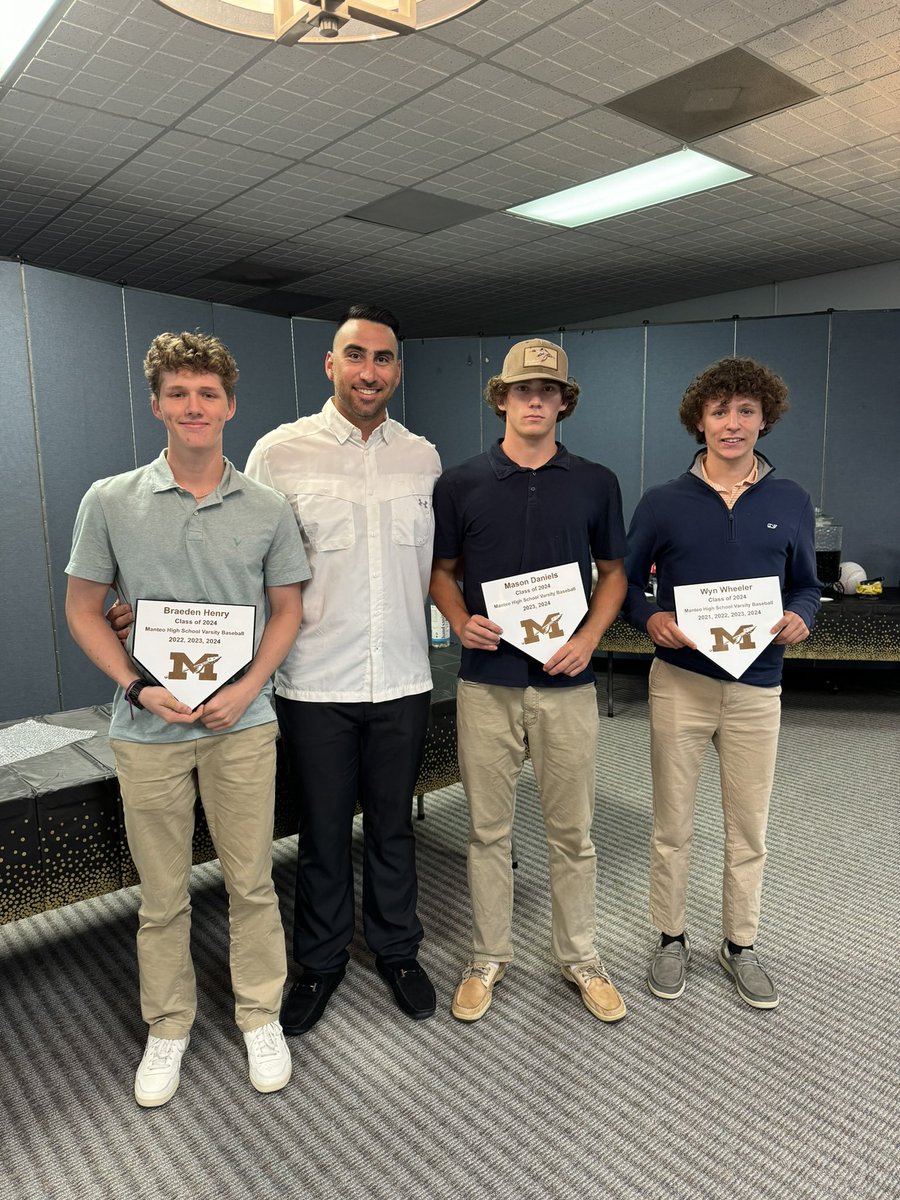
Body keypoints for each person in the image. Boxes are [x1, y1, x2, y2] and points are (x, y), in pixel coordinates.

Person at [65, 331, 309, 1107]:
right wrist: (138, 689)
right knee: (162, 895)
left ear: (231, 406)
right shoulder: (109, 500)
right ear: (157, 405)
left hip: (241, 724)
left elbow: (287, 609)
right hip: (147, 732)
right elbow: (82, 611)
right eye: (179, 394)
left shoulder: (268, 507)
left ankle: (258, 1014)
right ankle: (169, 1026)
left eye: (208, 394)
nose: (194, 407)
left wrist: (249, 689)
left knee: (252, 883)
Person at [244, 304, 442, 1032]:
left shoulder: (422, 457)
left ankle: (397, 949)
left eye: (384, 358)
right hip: (313, 679)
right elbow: (244, 560)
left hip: (401, 677)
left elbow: (438, 565)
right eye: (355, 355)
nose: (369, 371)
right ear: (330, 364)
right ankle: (320, 964)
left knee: (393, 825)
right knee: (323, 831)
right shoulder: (278, 453)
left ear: (396, 369)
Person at [430, 338, 628, 1024]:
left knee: (573, 831)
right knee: (489, 831)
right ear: (503, 399)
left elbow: (615, 574)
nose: (535, 400)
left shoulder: (596, 481)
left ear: (563, 402)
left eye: (548, 391)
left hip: (565, 684)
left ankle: (580, 956)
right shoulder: (461, 483)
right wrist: (459, 619)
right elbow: (442, 572)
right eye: (523, 390)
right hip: (488, 682)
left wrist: (589, 639)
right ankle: (489, 955)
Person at [622, 356, 820, 1010]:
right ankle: (671, 936)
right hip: (679, 682)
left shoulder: (790, 499)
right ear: (698, 421)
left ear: (765, 418)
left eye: (745, 411)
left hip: (757, 686)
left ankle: (740, 944)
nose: (732, 424)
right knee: (672, 822)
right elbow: (625, 585)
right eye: (719, 411)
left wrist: (801, 617)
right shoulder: (663, 502)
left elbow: (807, 586)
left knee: (748, 826)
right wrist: (651, 617)